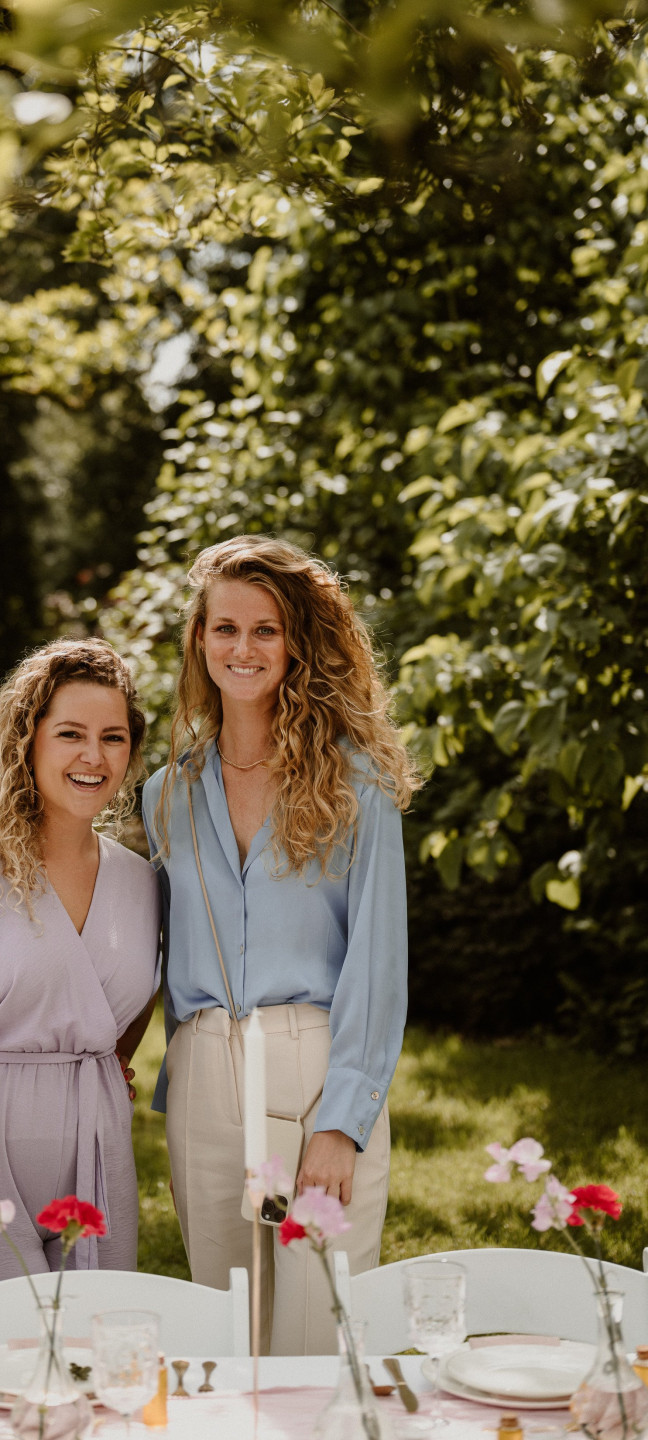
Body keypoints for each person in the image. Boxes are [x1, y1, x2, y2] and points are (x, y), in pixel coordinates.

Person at [142, 536, 421, 1355]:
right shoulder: (169, 794)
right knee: (226, 1339)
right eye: (225, 628)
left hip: (315, 1069)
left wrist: (344, 1120)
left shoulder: (355, 782)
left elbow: (378, 960)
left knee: (314, 1333)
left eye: (265, 629)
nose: (243, 648)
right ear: (199, 640)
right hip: (202, 1072)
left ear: (296, 641)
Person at [0, 638, 160, 1313]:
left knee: (91, 1354)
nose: (93, 756)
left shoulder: (141, 881)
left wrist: (108, 1060)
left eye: (113, 737)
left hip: (97, 1142)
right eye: (70, 734)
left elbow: (134, 996)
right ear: (27, 740)